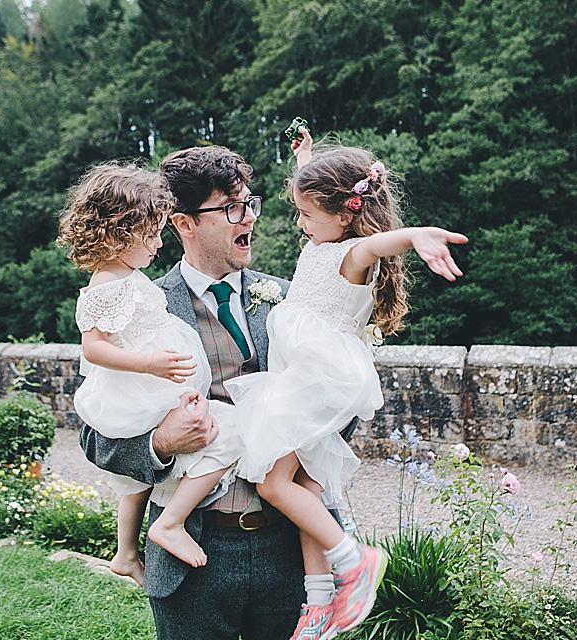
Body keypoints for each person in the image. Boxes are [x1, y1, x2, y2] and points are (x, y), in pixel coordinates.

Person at [225, 128, 468, 639]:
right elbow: (319, 194)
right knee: (305, 486)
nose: (300, 223)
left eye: (307, 215)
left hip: (315, 377)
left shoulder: (352, 252)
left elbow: (379, 240)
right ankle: (318, 605)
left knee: (271, 482)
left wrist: (414, 235)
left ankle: (352, 559)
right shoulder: (327, 234)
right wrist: (307, 160)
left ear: (346, 213)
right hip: (306, 375)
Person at [78, 146, 304, 640]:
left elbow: (340, 409)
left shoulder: (288, 297)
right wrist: (159, 444)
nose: (247, 218)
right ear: (181, 223)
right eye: (230, 208)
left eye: (249, 203)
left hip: (289, 547)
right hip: (193, 558)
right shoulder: (139, 305)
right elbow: (95, 435)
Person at [58, 162, 242, 586]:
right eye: (151, 235)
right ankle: (170, 523)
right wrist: (150, 365)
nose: (160, 244)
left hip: (153, 382)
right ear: (120, 232)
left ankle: (125, 552)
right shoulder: (105, 283)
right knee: (228, 429)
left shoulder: (129, 276)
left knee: (131, 481)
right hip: (144, 386)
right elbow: (94, 347)